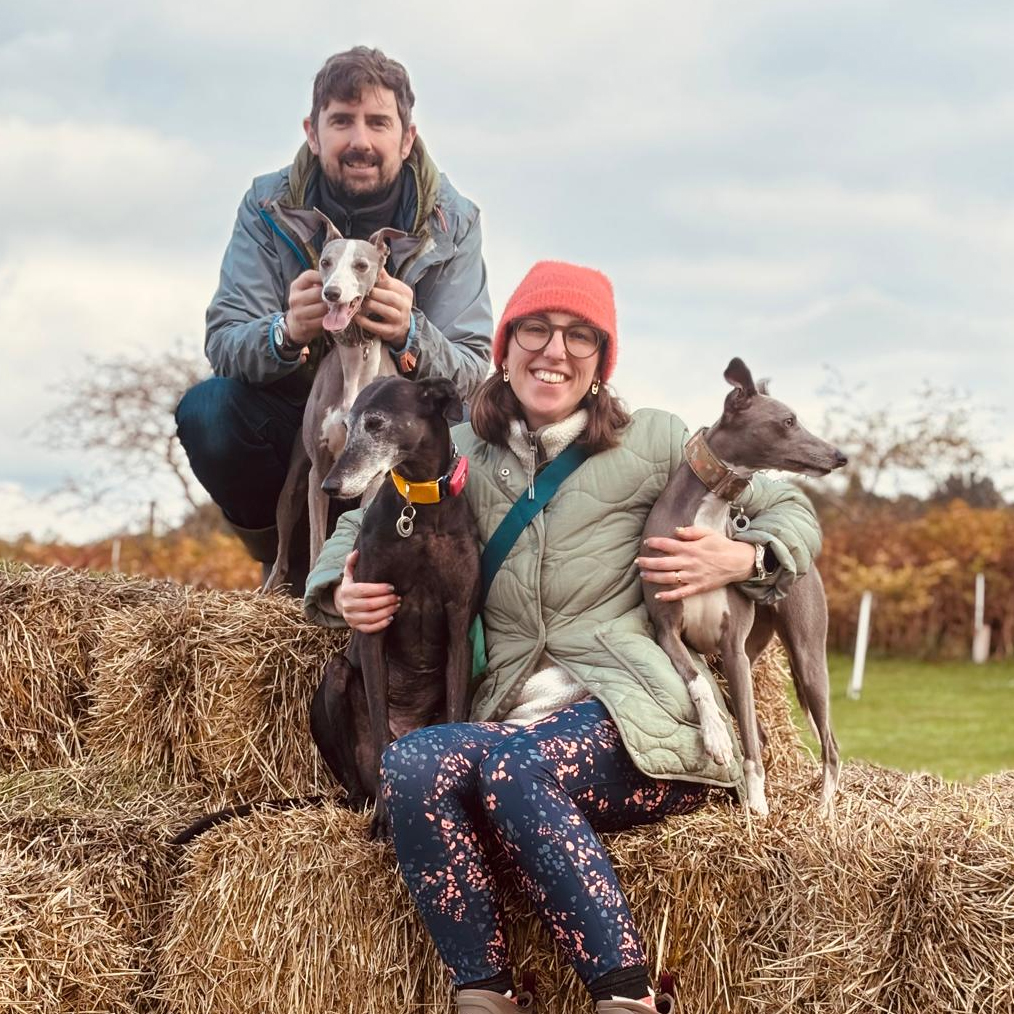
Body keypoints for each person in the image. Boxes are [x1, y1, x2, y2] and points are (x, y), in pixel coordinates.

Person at [304, 262, 822, 1013]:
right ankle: (485, 996)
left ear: (602, 361)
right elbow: (353, 523)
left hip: (630, 710)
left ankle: (626, 997)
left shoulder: (657, 441)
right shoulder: (457, 452)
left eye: (580, 337)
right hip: (510, 712)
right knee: (410, 763)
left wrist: (744, 556)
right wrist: (339, 589)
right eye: (536, 331)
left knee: (512, 765)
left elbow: (786, 504)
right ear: (505, 348)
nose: (555, 350)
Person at [175, 46, 492, 590]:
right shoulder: (267, 207)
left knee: (468, 426)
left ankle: (414, 565)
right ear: (313, 132)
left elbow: (469, 371)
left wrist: (411, 334)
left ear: (407, 138)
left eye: (378, 122)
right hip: (297, 413)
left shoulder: (452, 220)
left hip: (397, 424)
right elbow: (225, 340)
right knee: (209, 412)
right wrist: (284, 332)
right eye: (342, 121)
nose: (360, 140)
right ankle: (286, 563)